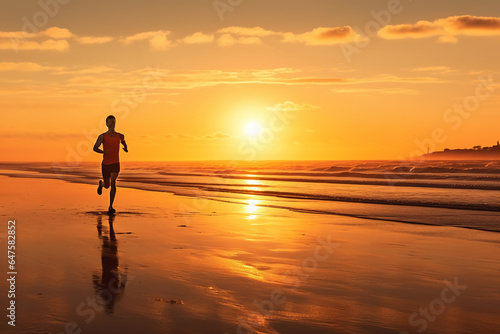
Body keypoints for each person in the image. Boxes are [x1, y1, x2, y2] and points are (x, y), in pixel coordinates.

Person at [93, 115, 128, 213]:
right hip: (106, 164)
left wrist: (125, 148)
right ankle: (102, 184)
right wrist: (103, 152)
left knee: (113, 183)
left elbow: (123, 142)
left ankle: (110, 206)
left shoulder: (120, 135)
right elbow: (95, 148)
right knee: (107, 185)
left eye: (113, 121)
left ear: (115, 123)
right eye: (110, 122)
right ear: (106, 124)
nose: (112, 123)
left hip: (115, 163)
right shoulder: (102, 136)